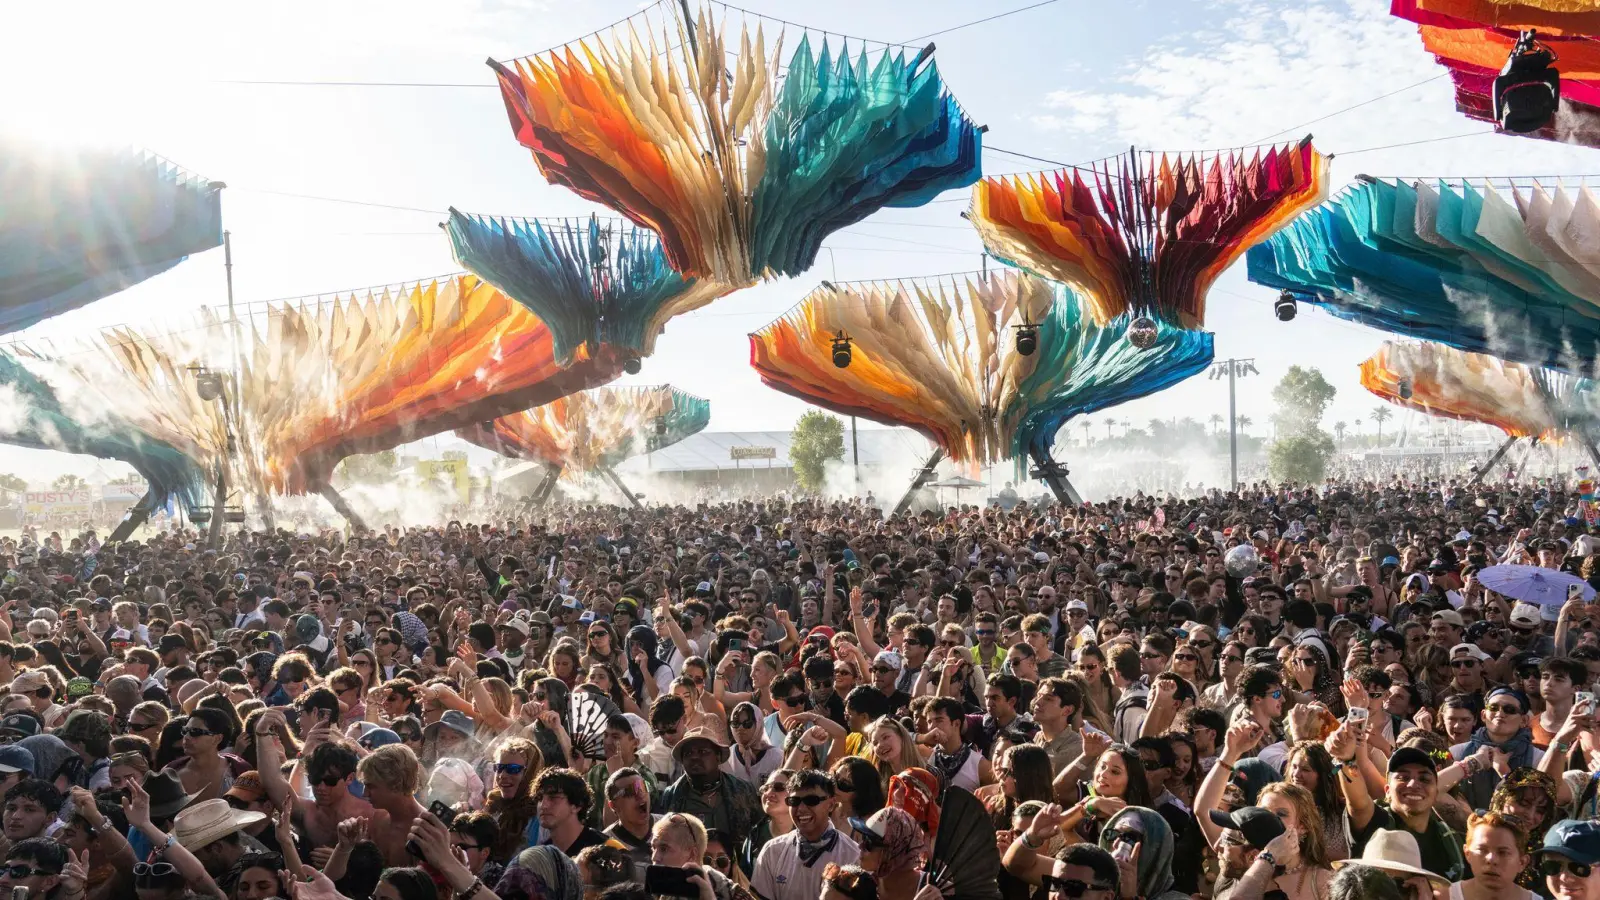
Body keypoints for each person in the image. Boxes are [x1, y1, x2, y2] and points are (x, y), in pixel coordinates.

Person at [751, 769, 859, 900]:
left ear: (831, 804)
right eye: (794, 801)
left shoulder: (853, 855)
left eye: (811, 800)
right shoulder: (772, 851)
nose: (801, 809)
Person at [657, 727, 763, 840]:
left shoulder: (743, 790)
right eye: (688, 753)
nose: (694, 757)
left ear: (718, 756)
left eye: (703, 752)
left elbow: (759, 834)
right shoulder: (670, 796)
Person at [848, 807, 926, 899]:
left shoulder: (936, 889)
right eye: (864, 837)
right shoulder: (862, 886)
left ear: (894, 850)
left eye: (869, 842)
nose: (860, 846)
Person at [532, 767, 608, 858]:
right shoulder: (540, 856)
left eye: (553, 798)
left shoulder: (607, 849)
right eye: (539, 798)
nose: (543, 805)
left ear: (577, 805)